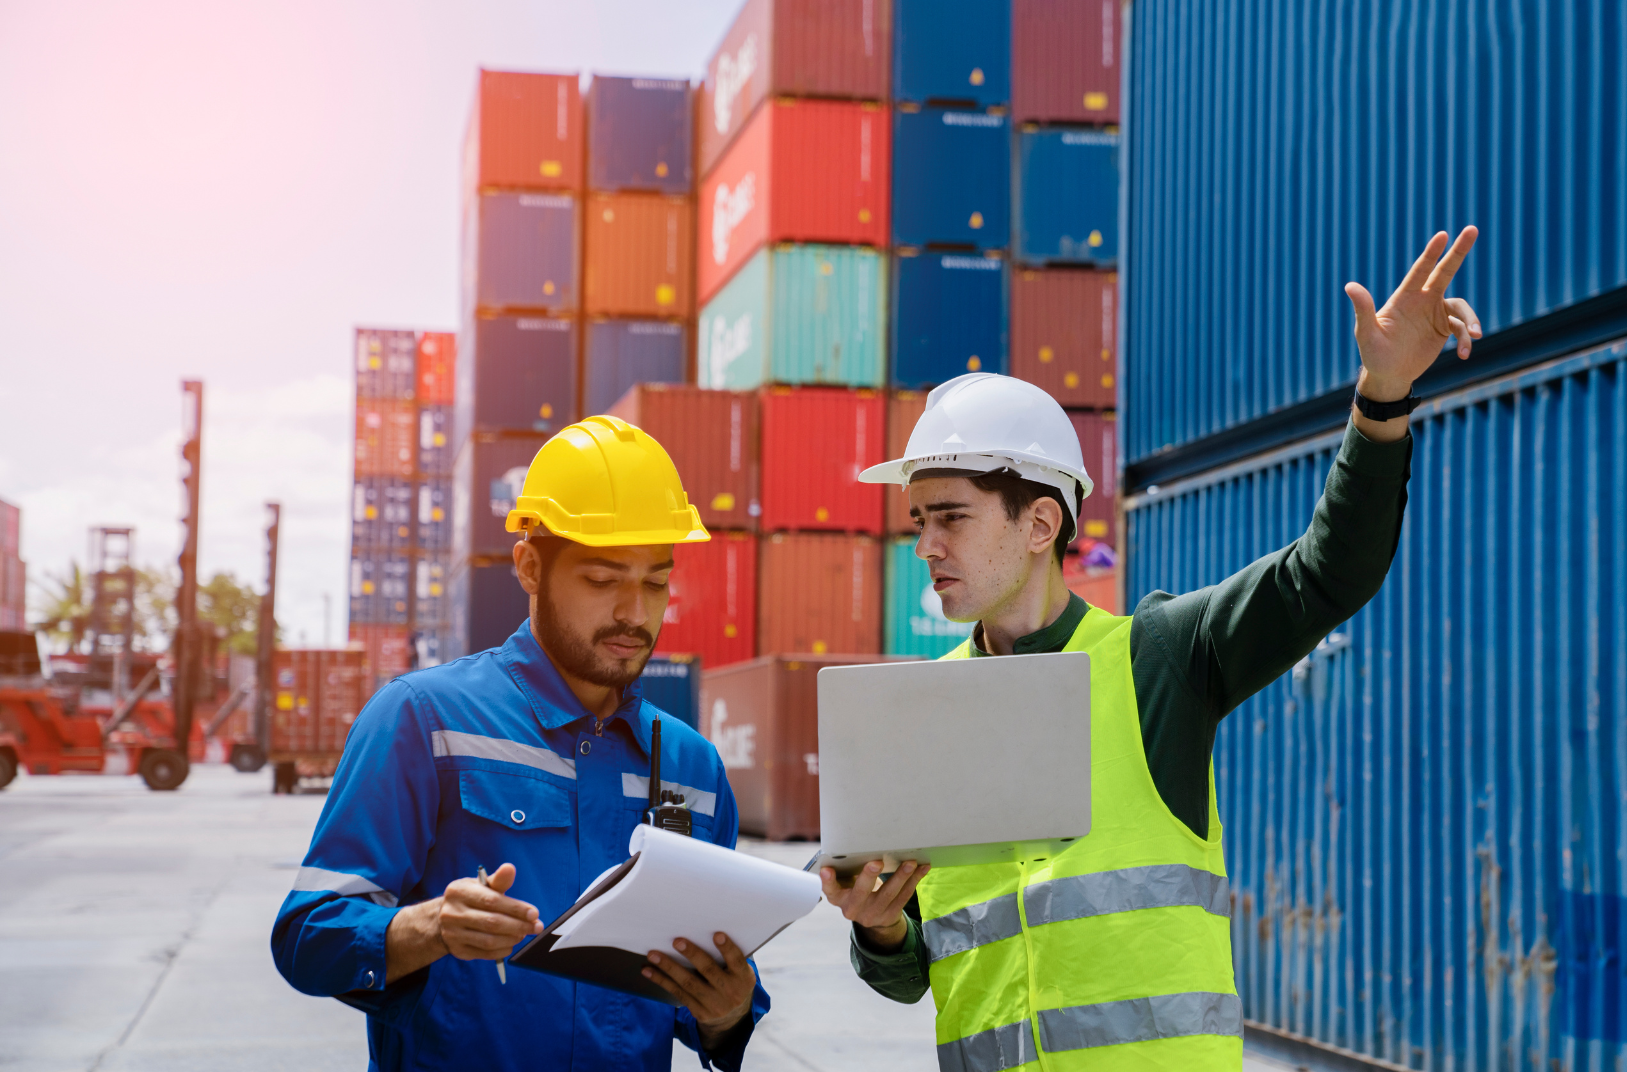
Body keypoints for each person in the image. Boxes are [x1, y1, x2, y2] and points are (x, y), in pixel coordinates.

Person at [822, 229, 1483, 1071]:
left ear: (1039, 523)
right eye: (918, 520)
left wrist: (1381, 399)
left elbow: (1327, 573)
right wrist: (876, 927)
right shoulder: (922, 711)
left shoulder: (1160, 660)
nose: (926, 545)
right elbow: (914, 977)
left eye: (949, 516)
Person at [272, 416, 769, 1071]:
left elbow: (700, 993)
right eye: (602, 579)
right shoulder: (425, 720)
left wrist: (728, 1012)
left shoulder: (690, 767)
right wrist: (428, 928)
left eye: (655, 581)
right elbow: (307, 937)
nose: (635, 611)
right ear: (530, 566)